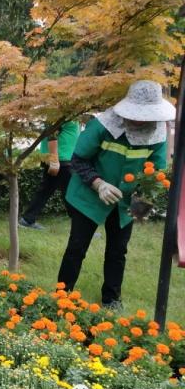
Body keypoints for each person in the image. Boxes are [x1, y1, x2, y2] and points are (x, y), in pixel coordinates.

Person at [57, 80, 174, 309]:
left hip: (125, 201)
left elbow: (157, 172)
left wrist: (144, 200)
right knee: (76, 247)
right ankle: (62, 293)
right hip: (89, 196)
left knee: (118, 250)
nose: (140, 120)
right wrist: (98, 183)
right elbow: (78, 159)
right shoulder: (103, 126)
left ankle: (111, 299)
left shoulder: (158, 133)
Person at [19, 120, 80, 230]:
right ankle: (80, 227)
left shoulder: (73, 112)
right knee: (71, 194)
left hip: (62, 159)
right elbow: (52, 135)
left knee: (46, 191)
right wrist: (54, 161)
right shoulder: (60, 112)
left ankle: (27, 219)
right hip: (61, 161)